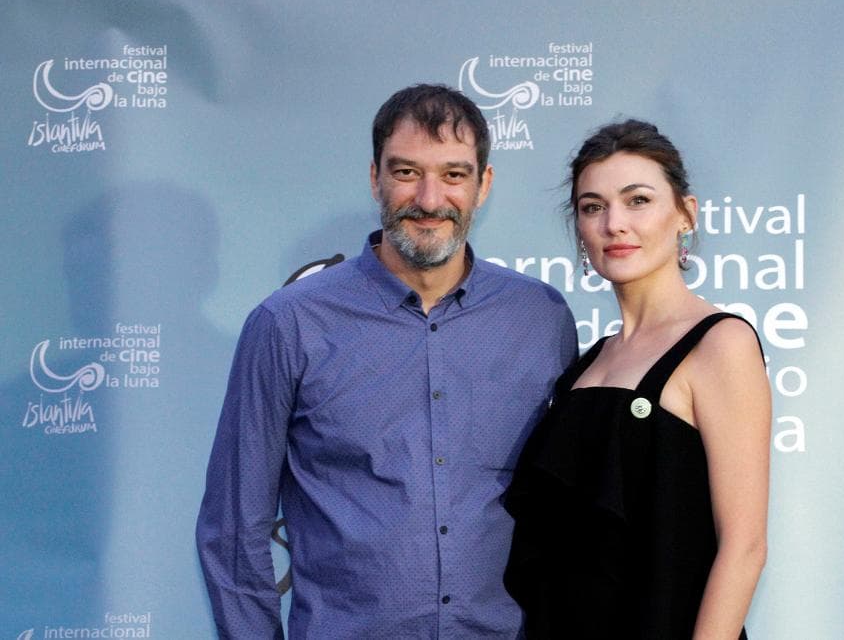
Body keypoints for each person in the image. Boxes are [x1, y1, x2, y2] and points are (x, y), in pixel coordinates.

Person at [196, 84, 578, 639]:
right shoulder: (288, 324)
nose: (429, 198)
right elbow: (233, 530)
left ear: (483, 185)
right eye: (406, 172)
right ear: (375, 177)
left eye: (454, 174)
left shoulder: (540, 318)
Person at [503, 119, 770, 639]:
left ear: (685, 215)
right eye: (593, 207)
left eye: (638, 201)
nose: (614, 224)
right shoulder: (589, 362)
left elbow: (745, 548)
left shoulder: (721, 344)